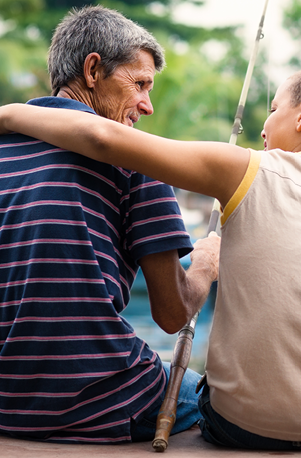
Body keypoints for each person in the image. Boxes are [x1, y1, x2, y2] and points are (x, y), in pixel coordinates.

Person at [0, 63, 301, 450]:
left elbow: (101, 136)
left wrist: (9, 113)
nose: (264, 126)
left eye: (273, 109)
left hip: (238, 426)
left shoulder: (243, 168)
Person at [0, 6, 219, 443]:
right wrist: (208, 263)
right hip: (105, 402)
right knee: (228, 401)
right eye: (139, 84)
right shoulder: (135, 156)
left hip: (7, 405)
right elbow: (173, 315)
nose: (148, 106)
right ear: (94, 69)